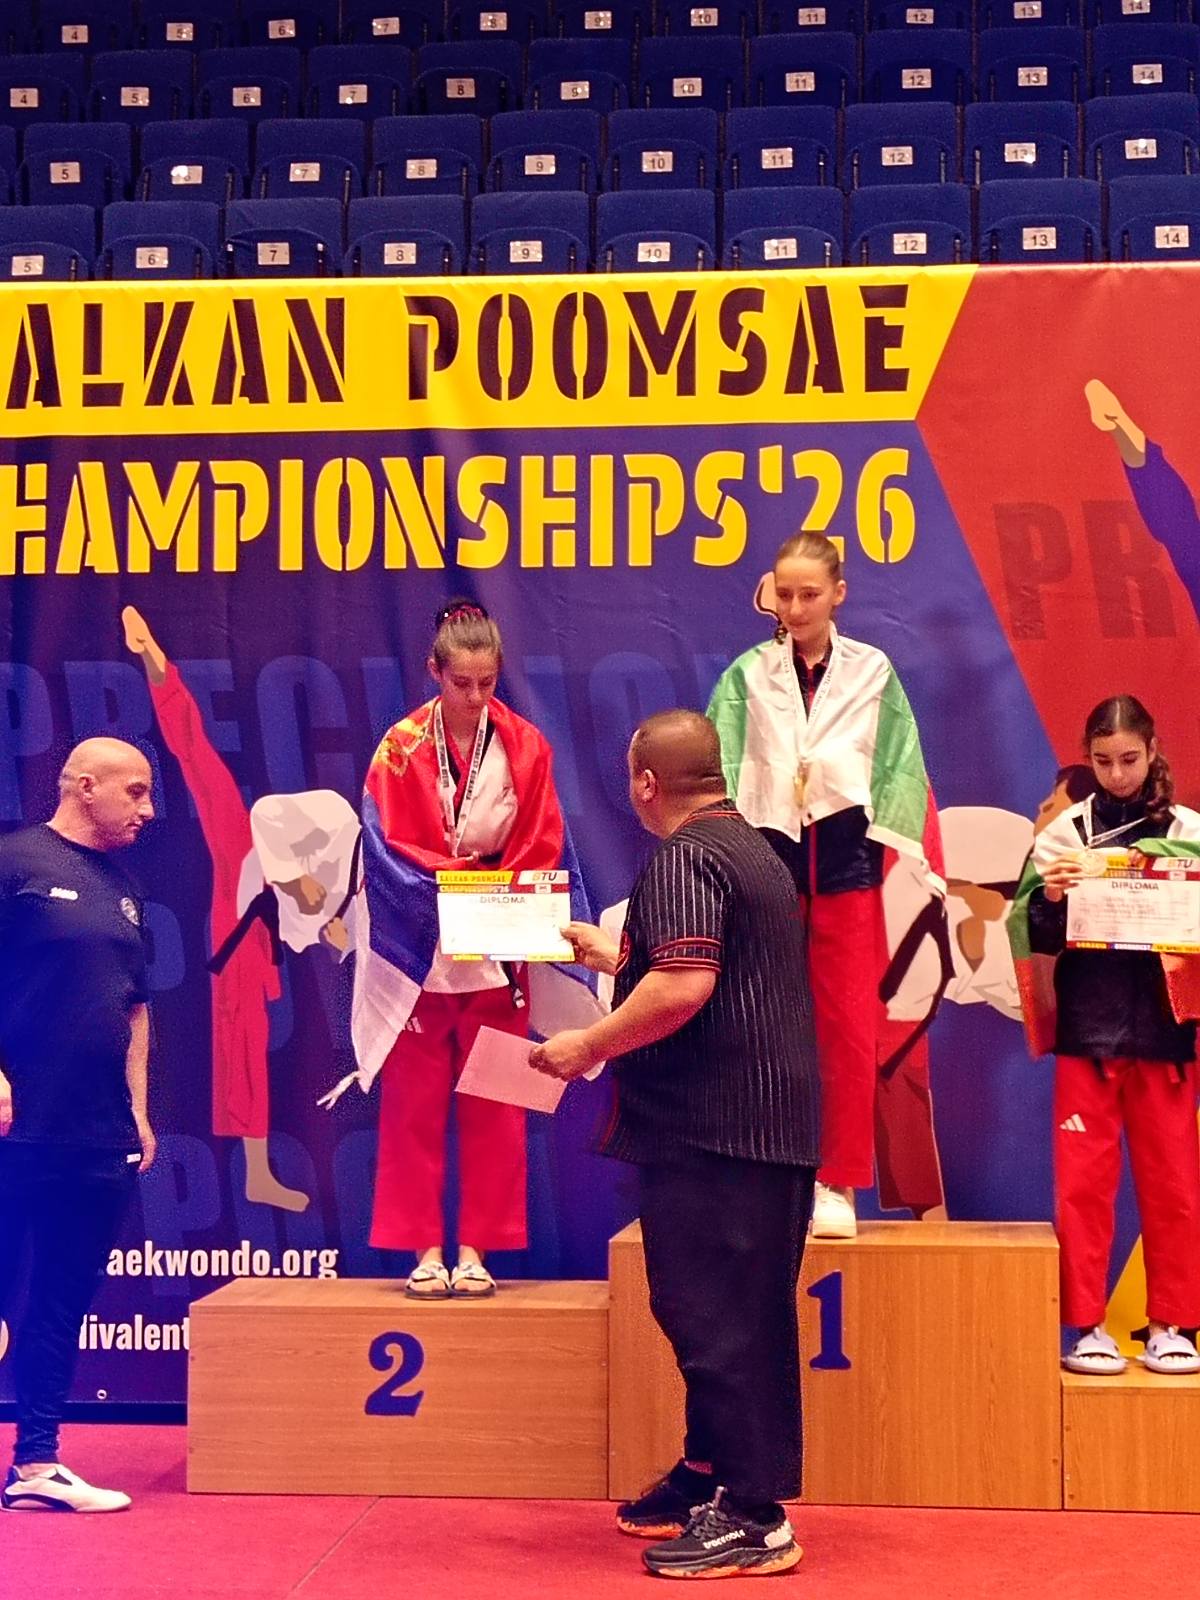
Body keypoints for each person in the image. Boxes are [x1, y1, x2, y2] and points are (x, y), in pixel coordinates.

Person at [532, 709, 819, 1581]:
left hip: (719, 1132)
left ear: (647, 782)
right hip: (759, 1129)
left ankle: (755, 1515)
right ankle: (707, 1470)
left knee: (717, 1318)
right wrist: (616, 958)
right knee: (721, 1311)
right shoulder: (752, 850)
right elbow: (704, 968)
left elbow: (687, 984)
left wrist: (587, 1045)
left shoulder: (683, 857)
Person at [707, 532, 945, 1239]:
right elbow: (719, 769)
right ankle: (770, 1172)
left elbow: (902, 767)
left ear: (838, 594)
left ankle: (837, 1182)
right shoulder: (746, 676)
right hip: (768, 870)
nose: (796, 607)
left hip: (846, 868)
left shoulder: (872, 672)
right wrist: (724, 852)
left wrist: (897, 849)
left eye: (810, 594)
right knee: (765, 1027)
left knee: (845, 1032)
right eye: (785, 594)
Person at [347, 599, 578, 1299]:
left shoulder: (526, 745)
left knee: (497, 1105)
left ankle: (476, 1250)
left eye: (487, 683)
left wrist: (492, 893)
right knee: (412, 1105)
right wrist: (452, 885)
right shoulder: (398, 747)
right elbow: (384, 848)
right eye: (461, 683)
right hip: (420, 946)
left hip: (498, 939)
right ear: (434, 672)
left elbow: (543, 840)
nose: (475, 697)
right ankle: (424, 1250)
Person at [1009, 696, 1200, 1376]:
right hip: (1089, 1033)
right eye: (1102, 761)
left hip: (1167, 1034)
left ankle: (1173, 1325)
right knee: (1083, 1187)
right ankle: (1087, 1326)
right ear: (1087, 758)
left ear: (1152, 751)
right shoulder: (1064, 834)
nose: (1117, 774)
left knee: (1175, 1186)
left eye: (1129, 759)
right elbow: (1034, 935)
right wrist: (1051, 897)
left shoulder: (1190, 832)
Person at [0, 738, 157, 1512]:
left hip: (97, 1133)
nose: (148, 809)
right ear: (84, 787)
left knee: (61, 1302)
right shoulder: (15, 864)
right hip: (15, 1128)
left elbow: (135, 1008)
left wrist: (139, 1110)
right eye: (136, 792)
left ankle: (36, 1465)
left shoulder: (124, 890)